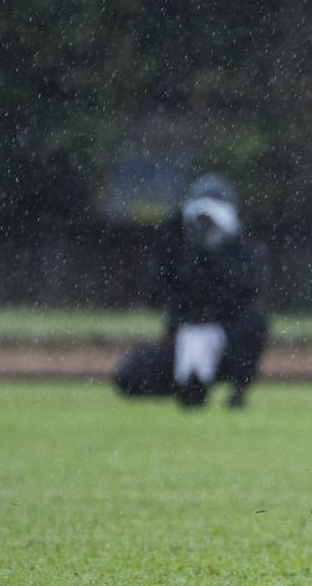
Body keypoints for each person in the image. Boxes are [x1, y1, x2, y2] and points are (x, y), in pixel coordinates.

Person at [113, 173, 269, 409]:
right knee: (129, 375)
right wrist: (184, 248)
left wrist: (218, 256)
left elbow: (248, 290)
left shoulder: (244, 249)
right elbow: (153, 291)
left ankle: (237, 390)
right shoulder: (175, 245)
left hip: (226, 345)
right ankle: (187, 384)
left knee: (255, 319)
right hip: (182, 336)